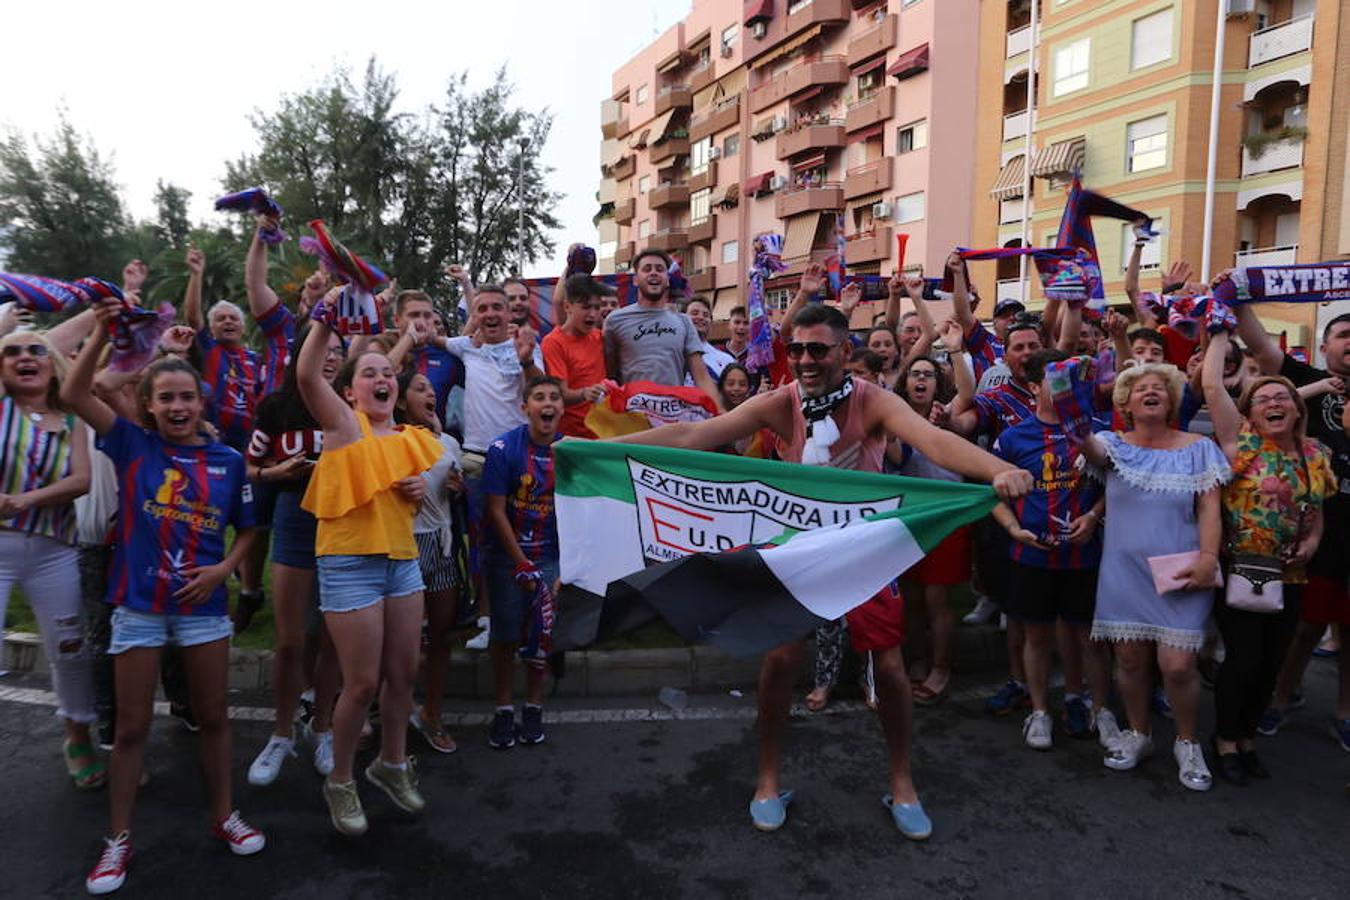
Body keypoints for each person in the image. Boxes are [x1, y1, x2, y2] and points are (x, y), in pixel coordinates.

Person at [614, 304, 1032, 840]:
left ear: (842, 351)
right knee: (780, 661)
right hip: (799, 551)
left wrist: (998, 467)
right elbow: (693, 437)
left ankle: (903, 783)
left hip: (865, 551)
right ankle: (767, 780)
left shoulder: (874, 400)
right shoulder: (780, 402)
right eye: (797, 350)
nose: (806, 360)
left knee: (890, 668)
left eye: (818, 350)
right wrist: (601, 448)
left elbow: (936, 442)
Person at [64, 309, 265, 895]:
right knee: (129, 730)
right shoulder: (130, 444)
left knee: (215, 717)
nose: (178, 408)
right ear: (149, 404)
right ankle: (118, 839)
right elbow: (79, 389)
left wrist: (226, 567)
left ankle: (223, 815)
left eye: (188, 398)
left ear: (202, 404)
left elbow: (248, 528)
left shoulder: (228, 462)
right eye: (166, 398)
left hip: (203, 608)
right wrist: (112, 335)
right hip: (140, 607)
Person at [296, 305, 444, 836]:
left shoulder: (408, 438)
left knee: (404, 674)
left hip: (401, 562)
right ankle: (340, 779)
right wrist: (325, 320)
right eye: (369, 373)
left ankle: (391, 764)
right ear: (351, 390)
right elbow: (308, 374)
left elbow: (410, 500)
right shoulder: (342, 424)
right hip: (349, 564)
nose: (381, 379)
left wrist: (418, 488)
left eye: (388, 373)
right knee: (360, 684)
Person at [1078, 362, 1230, 792]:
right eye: (1141, 388)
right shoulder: (1111, 444)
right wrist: (1070, 401)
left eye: (1160, 389)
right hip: (1123, 571)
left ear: (1172, 401)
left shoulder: (1198, 447)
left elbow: (1210, 509)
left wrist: (1207, 556)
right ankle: (1139, 734)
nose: (1151, 392)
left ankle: (1187, 741)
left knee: (1178, 665)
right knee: (1128, 659)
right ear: (1124, 403)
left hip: (1182, 568)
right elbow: (1083, 445)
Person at [1202, 330, 1333, 783]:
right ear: (1250, 413)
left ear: (1298, 409)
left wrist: (1314, 542)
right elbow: (1213, 386)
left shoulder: (1314, 455)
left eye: (1282, 397)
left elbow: (1315, 512)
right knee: (1244, 659)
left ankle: (1247, 737)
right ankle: (1223, 739)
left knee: (1273, 661)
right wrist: (1218, 330)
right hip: (1240, 569)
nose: (1273, 403)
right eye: (1262, 399)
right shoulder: (1240, 445)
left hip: (1292, 574)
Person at [1237, 306, 1350, 752]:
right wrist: (1241, 300)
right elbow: (1260, 343)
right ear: (1325, 347)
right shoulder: (1303, 378)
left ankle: (1345, 711)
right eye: (1343, 334)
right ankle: (1282, 698)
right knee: (1305, 626)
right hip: (1313, 528)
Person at [988, 348, 1112, 749]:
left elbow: (1119, 485)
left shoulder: (1098, 431)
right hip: (1031, 555)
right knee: (1036, 638)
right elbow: (991, 494)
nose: (1062, 390)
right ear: (1034, 386)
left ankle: (1093, 706)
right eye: (1053, 381)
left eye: (1070, 381)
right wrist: (1013, 528)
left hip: (1084, 557)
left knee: (1089, 639)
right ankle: (1039, 711)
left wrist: (1093, 517)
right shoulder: (1012, 437)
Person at [243, 322, 343, 785]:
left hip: (342, 524)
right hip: (294, 519)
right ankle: (281, 733)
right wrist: (277, 471)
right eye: (323, 347)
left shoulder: (350, 404)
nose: (331, 357)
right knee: (288, 641)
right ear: (304, 352)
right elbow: (250, 465)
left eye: (339, 350)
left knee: (330, 638)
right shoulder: (276, 407)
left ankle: (322, 728)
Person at [0, 330, 100, 786]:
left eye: (36, 350)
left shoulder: (73, 419)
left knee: (70, 649)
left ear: (53, 362)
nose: (24, 357)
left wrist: (27, 500)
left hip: (54, 550)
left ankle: (77, 736)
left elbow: (81, 480)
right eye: (12, 352)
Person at [186, 241, 295, 629]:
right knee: (210, 517)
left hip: (254, 448)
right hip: (216, 448)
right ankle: (202, 583)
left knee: (255, 520)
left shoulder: (255, 358)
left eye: (234, 318)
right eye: (222, 320)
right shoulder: (208, 352)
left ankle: (249, 591)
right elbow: (193, 316)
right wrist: (197, 275)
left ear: (244, 325)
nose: (228, 323)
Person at [482, 376, 564, 748]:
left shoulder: (571, 452)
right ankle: (502, 708)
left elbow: (579, 513)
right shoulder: (502, 449)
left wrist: (564, 568)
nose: (547, 404)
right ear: (525, 408)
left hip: (549, 557)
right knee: (505, 636)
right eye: (539, 398)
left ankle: (533, 706)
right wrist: (519, 562)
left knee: (540, 637)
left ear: (562, 409)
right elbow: (495, 511)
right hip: (507, 558)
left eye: (554, 398)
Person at [892, 347, 971, 706]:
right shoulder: (893, 417)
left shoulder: (950, 413)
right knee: (911, 597)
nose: (921, 379)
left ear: (937, 383)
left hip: (946, 514)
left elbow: (968, 392)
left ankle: (941, 667)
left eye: (928, 374)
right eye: (914, 374)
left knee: (938, 598)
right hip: (908, 517)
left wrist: (955, 348)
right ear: (904, 383)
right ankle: (918, 659)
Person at [397, 369, 464, 754]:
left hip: (442, 545)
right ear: (403, 400)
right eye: (420, 388)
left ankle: (432, 714)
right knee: (403, 645)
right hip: (404, 546)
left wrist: (457, 489)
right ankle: (399, 709)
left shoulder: (449, 442)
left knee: (441, 636)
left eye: (431, 389)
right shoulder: (394, 440)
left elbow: (452, 488)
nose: (431, 393)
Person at [602, 248, 721, 404]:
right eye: (647, 269)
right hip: (632, 416)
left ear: (667, 279)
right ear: (636, 279)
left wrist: (719, 412)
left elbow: (702, 377)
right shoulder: (615, 320)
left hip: (673, 416)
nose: (654, 273)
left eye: (660, 269)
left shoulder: (684, 322)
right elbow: (608, 372)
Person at [541, 274, 610, 438]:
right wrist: (584, 393)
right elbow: (558, 394)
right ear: (567, 307)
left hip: (603, 434)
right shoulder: (553, 343)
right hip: (570, 436)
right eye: (586, 307)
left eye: (596, 307)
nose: (593, 314)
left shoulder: (601, 338)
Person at [683, 296, 736, 384]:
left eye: (705, 315)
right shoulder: (672, 354)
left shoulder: (727, 360)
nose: (700, 317)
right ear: (682, 318)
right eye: (695, 313)